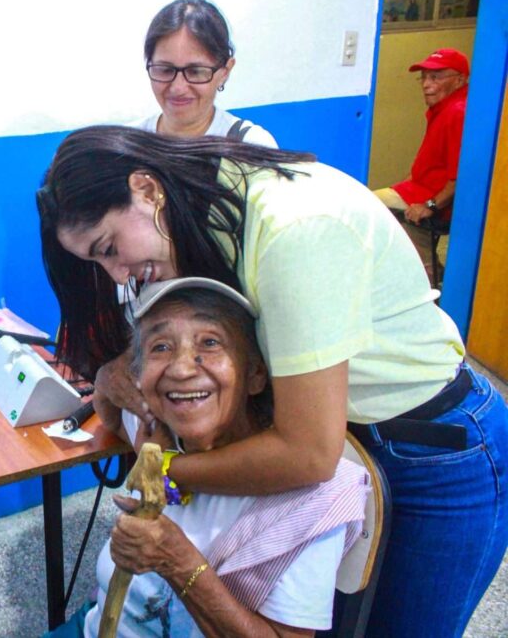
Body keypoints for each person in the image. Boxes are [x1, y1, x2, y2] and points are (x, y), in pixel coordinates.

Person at [36, 125, 508, 637]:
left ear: (147, 188)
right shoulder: (197, 217)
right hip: (339, 431)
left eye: (109, 248)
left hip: (432, 446)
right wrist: (112, 378)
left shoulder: (293, 228)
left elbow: (307, 454)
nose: (118, 275)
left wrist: (167, 468)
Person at [51, 277, 368, 638]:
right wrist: (111, 378)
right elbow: (107, 402)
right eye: (160, 347)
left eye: (210, 342)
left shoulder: (308, 501)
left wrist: (177, 561)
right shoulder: (158, 434)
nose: (182, 368)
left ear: (255, 374)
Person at [373, 48, 469, 282]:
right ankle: (430, 269)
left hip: (434, 199)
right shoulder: (446, 108)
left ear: (459, 80)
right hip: (420, 189)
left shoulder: (457, 112)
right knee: (376, 206)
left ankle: (426, 274)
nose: (427, 84)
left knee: (367, 207)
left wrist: (430, 205)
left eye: (436, 77)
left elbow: (461, 178)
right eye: (424, 77)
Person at [131, 0, 277, 147]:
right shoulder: (126, 147)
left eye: (195, 72)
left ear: (225, 72)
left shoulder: (252, 147)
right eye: (165, 70)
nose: (178, 88)